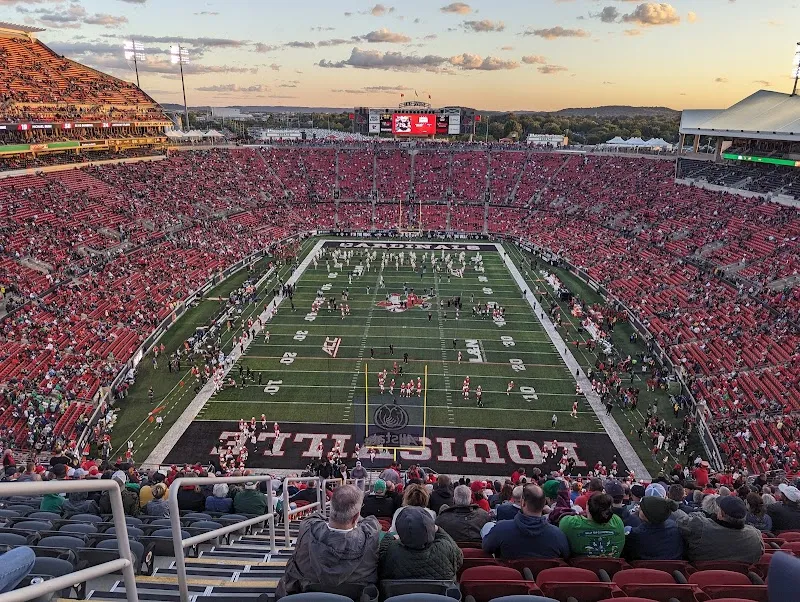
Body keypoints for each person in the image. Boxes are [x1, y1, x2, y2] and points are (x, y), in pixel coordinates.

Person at [276, 485, 380, 599]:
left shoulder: (307, 527)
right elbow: (370, 522)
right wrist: (351, 515)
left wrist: (338, 513)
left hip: (306, 595)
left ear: (331, 506)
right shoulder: (371, 535)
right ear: (356, 517)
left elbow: (314, 518)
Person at [482, 485, 570, 560]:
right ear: (544, 504)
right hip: (542, 578)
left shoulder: (501, 529)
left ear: (523, 503)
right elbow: (566, 556)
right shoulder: (558, 535)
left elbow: (486, 547)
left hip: (511, 579)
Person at [378, 506, 463, 581]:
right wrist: (438, 529)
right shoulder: (445, 547)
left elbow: (382, 551)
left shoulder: (391, 552)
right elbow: (459, 558)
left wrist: (391, 536)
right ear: (430, 528)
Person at [673, 495, 764, 563]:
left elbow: (680, 521)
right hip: (742, 583)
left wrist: (701, 514)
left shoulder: (700, 526)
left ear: (721, 514)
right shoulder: (755, 535)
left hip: (701, 579)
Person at [559, 493, 625, 558]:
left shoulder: (569, 523)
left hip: (580, 567)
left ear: (587, 506)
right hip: (612, 567)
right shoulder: (618, 522)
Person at [623, 497, 683, 561]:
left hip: (643, 569)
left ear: (646, 514)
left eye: (642, 508)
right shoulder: (675, 528)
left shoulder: (635, 534)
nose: (639, 509)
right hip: (672, 569)